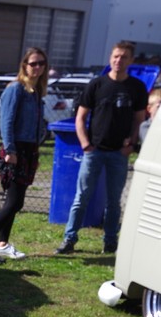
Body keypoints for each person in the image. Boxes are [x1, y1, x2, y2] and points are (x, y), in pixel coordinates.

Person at [58, 39, 147, 255]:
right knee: (81, 198)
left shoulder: (136, 88)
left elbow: (139, 120)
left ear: (131, 60)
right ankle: (69, 239)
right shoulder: (96, 85)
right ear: (110, 58)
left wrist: (131, 144)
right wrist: (85, 144)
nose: (119, 60)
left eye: (124, 57)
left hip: (119, 153)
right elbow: (80, 118)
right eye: (116, 56)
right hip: (94, 151)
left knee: (113, 202)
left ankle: (110, 241)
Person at [0, 47, 51, 262]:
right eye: (33, 63)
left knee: (14, 201)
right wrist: (10, 150)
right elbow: (6, 121)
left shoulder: (36, 93)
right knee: (14, 202)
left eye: (41, 63)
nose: (37, 67)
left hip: (29, 150)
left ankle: (3, 244)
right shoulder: (16, 89)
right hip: (15, 149)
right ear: (24, 65)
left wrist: (35, 152)